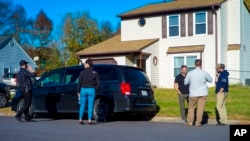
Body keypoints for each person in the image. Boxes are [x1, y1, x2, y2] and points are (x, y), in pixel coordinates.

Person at [184, 59, 212, 127]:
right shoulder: (204, 73)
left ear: (194, 65)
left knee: (191, 107)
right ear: (201, 64)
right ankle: (198, 122)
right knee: (200, 108)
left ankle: (190, 122)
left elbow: (185, 83)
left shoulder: (190, 73)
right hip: (203, 93)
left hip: (193, 93)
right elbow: (210, 80)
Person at [77, 59, 100, 125]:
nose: (84, 65)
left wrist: (78, 91)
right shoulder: (95, 73)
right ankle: (89, 120)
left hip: (83, 89)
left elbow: (79, 82)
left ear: (88, 64)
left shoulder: (82, 72)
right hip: (91, 90)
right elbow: (98, 83)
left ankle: (80, 119)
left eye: (85, 63)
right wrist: (96, 89)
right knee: (90, 106)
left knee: (82, 105)